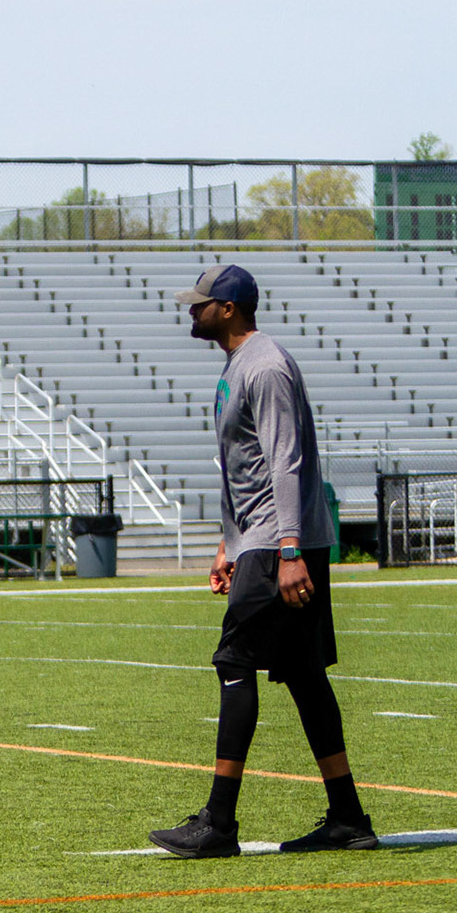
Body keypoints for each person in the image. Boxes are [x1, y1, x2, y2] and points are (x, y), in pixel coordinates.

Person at [148, 264, 375, 858]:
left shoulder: (265, 365)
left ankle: (219, 822)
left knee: (234, 661)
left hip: (281, 542)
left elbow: (285, 461)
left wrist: (288, 549)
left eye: (199, 303)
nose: (190, 310)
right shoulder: (237, 364)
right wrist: (230, 542)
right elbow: (242, 467)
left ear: (228, 308)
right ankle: (348, 818)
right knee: (303, 673)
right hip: (265, 539)